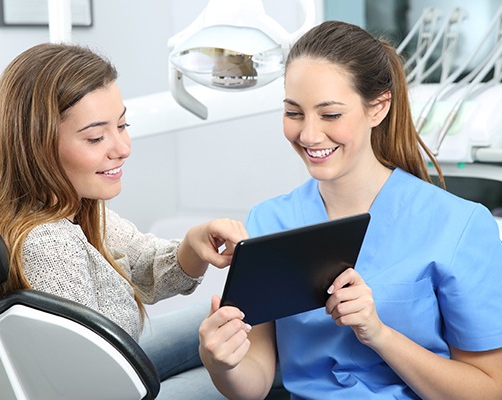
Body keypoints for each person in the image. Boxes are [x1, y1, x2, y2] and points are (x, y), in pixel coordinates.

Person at [198, 20, 502, 399]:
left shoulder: (460, 225)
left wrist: (379, 334)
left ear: (378, 108)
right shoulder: (270, 221)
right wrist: (222, 363)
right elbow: (255, 382)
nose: (308, 135)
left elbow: (489, 390)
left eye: (330, 115)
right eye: (294, 113)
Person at [0, 42, 246, 399]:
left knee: (242, 318)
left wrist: (193, 244)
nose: (122, 147)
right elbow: (91, 385)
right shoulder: (48, 244)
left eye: (122, 125)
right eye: (96, 137)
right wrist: (228, 373)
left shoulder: (65, 207)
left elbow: (141, 263)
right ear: (37, 146)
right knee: (245, 372)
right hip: (101, 388)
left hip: (100, 371)